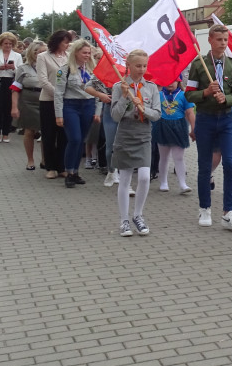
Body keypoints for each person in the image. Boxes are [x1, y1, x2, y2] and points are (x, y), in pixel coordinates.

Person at [185, 24, 232, 231]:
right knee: (204, 166)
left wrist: (226, 98)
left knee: (230, 164)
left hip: (227, 120)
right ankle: (204, 207)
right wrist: (206, 93)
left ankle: (228, 211)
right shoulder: (199, 64)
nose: (223, 43)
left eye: (225, 40)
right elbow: (189, 94)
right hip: (205, 119)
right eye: (219, 39)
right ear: (210, 40)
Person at [110, 49, 161, 237]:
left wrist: (143, 108)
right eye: (138, 66)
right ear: (128, 66)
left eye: (144, 66)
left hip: (143, 136)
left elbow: (157, 114)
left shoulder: (151, 88)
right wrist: (125, 97)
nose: (141, 69)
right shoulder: (119, 86)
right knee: (125, 179)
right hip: (125, 135)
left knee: (145, 177)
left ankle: (138, 215)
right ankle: (124, 220)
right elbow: (115, 116)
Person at [54, 39, 98, 188]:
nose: (87, 55)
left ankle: (75, 172)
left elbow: (99, 92)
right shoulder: (65, 69)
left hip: (88, 104)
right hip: (71, 105)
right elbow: (58, 93)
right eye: (84, 52)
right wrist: (58, 114)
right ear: (76, 53)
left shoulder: (93, 69)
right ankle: (68, 172)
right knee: (74, 138)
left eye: (88, 53)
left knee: (82, 140)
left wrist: (97, 111)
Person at [37, 30, 71, 179]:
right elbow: (43, 80)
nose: (67, 45)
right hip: (48, 100)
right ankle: (50, 166)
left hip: (67, 100)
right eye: (65, 42)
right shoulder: (43, 57)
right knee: (49, 134)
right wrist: (58, 94)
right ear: (57, 42)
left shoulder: (70, 57)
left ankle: (61, 165)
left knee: (64, 135)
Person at [154, 76, 196, 194]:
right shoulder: (159, 95)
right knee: (164, 157)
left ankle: (183, 184)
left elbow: (190, 113)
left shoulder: (184, 95)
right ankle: (163, 182)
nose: (170, 83)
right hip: (162, 126)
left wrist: (193, 128)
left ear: (179, 82)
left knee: (179, 157)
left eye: (173, 80)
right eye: (167, 80)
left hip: (179, 127)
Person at [11, 41, 46, 170]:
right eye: (40, 52)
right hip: (28, 100)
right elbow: (15, 89)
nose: (43, 54)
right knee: (29, 131)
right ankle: (30, 160)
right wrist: (14, 107)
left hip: (45, 100)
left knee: (46, 131)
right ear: (33, 53)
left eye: (44, 52)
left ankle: (45, 159)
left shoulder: (50, 66)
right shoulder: (23, 68)